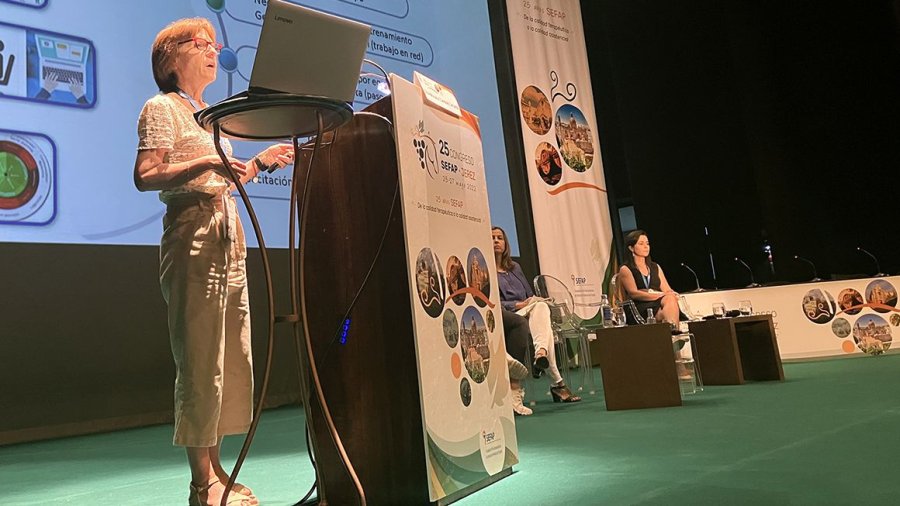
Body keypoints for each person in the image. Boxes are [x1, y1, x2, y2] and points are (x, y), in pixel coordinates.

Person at [134, 18, 293, 506]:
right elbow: (146, 174)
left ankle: (218, 469)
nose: (213, 52)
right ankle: (201, 483)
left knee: (229, 356)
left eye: (214, 43)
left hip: (229, 235)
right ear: (171, 58)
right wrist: (205, 164)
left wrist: (260, 162)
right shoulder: (162, 107)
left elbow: (228, 175)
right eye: (203, 44)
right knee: (201, 360)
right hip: (193, 236)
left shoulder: (207, 113)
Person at [492, 226, 580, 415]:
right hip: (508, 312)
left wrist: (531, 301)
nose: (496, 241)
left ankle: (540, 353)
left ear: (506, 243)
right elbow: (493, 302)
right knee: (542, 325)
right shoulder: (486, 269)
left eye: (500, 237)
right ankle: (556, 381)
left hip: (527, 309)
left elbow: (529, 294)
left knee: (540, 307)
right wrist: (518, 304)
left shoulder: (515, 268)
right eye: (492, 238)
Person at [617, 230, 680, 325]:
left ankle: (672, 331)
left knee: (669, 301)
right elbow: (634, 294)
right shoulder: (626, 269)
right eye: (641, 244)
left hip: (659, 303)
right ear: (631, 248)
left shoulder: (655, 267)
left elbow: (667, 290)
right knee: (669, 304)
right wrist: (660, 295)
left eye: (647, 243)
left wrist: (671, 294)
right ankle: (674, 333)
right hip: (640, 306)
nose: (646, 247)